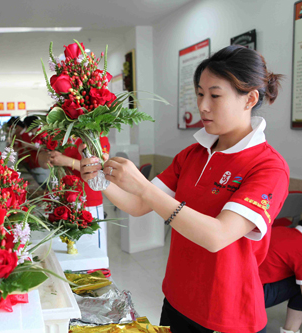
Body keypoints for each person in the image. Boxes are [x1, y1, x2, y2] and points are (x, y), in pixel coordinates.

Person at [80, 45, 288, 333]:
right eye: (200, 94)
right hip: (178, 298)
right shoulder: (192, 155)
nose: (203, 105)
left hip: (227, 313)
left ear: (250, 99)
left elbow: (217, 236)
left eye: (215, 95)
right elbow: (139, 205)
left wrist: (143, 187)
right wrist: (98, 179)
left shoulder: (268, 167)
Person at [48, 135, 110, 252]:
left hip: (88, 199)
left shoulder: (95, 135)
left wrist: (66, 161)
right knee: (68, 247)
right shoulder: (63, 134)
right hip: (64, 198)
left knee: (93, 249)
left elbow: (98, 167)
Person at [260, 226, 302, 333]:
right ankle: (290, 331)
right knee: (298, 285)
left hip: (237, 284)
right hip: (252, 295)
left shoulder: (281, 229)